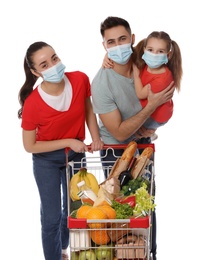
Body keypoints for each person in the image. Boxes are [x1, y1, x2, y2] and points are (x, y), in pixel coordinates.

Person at [91, 16, 175, 260]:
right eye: (111, 43)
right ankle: (121, 254)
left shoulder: (145, 60)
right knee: (118, 209)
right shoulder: (102, 83)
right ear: (104, 46)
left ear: (133, 40)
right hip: (115, 150)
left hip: (143, 145)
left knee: (145, 204)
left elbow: (163, 101)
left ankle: (150, 253)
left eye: (122, 39)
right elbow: (118, 132)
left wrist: (153, 125)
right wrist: (152, 106)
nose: (118, 47)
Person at [17, 41, 104, 260]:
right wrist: (68, 141)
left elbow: (87, 108)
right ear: (36, 72)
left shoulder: (79, 79)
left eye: (54, 58)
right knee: (51, 218)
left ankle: (66, 246)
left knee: (75, 209)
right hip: (46, 161)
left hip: (76, 156)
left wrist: (95, 137)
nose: (53, 66)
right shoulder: (33, 104)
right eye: (44, 64)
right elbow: (29, 146)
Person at [103, 31, 183, 140]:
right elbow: (121, 52)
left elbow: (140, 94)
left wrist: (136, 75)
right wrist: (107, 55)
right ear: (144, 49)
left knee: (135, 132)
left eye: (160, 51)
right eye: (150, 50)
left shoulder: (162, 80)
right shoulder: (145, 61)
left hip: (157, 115)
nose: (154, 54)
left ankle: (150, 133)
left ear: (168, 55)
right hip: (150, 107)